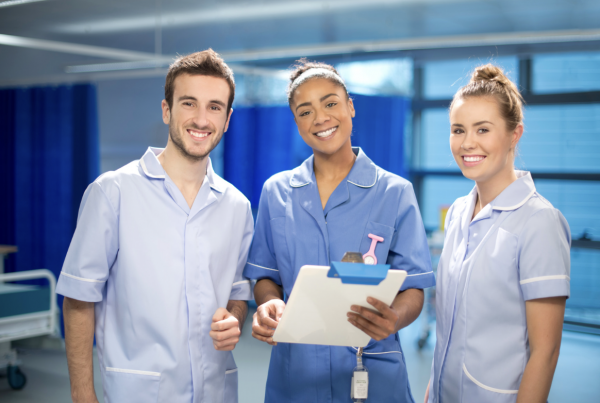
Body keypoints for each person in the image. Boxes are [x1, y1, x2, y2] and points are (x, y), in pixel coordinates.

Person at [56, 49, 253, 403]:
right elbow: (79, 298)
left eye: (214, 107)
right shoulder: (113, 192)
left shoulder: (237, 206)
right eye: (189, 103)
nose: (201, 119)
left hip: (217, 390)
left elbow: (237, 292)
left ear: (227, 120)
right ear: (167, 110)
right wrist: (82, 394)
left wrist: (234, 320)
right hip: (140, 392)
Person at [244, 60, 435, 402]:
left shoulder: (394, 193)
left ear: (350, 106)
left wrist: (393, 320)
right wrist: (269, 304)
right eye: (305, 111)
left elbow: (414, 288)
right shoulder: (276, 192)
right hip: (296, 377)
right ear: (296, 122)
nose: (320, 118)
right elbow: (265, 276)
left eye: (330, 103)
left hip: (373, 373)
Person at [425, 64, 570, 403]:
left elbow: (545, 353)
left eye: (483, 129)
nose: (467, 143)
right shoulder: (459, 212)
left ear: (514, 134)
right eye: (458, 130)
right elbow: (447, 331)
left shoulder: (539, 222)